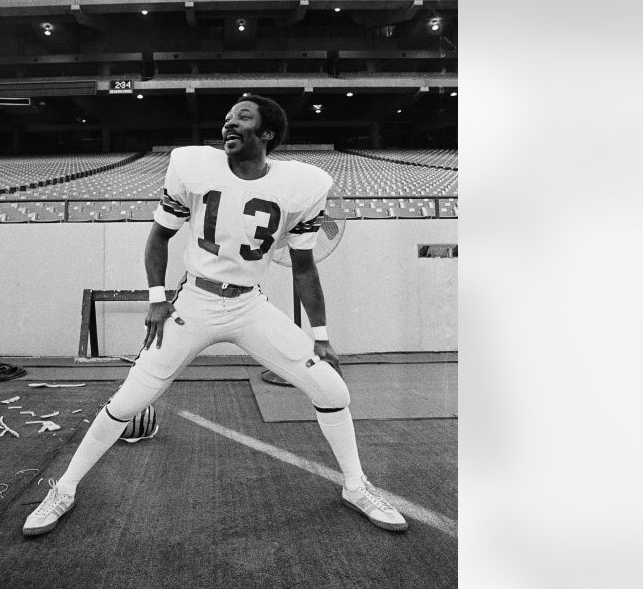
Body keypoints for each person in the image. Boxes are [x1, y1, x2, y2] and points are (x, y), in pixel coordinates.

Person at [23, 94, 407, 536]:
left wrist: (321, 335)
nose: (228, 124)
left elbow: (304, 267)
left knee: (333, 390)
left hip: (249, 305)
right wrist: (156, 297)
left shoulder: (304, 186)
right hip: (194, 304)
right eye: (226, 117)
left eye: (242, 118)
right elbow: (158, 239)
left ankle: (356, 487)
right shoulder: (193, 167)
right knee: (128, 401)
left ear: (266, 134)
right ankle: (64, 490)